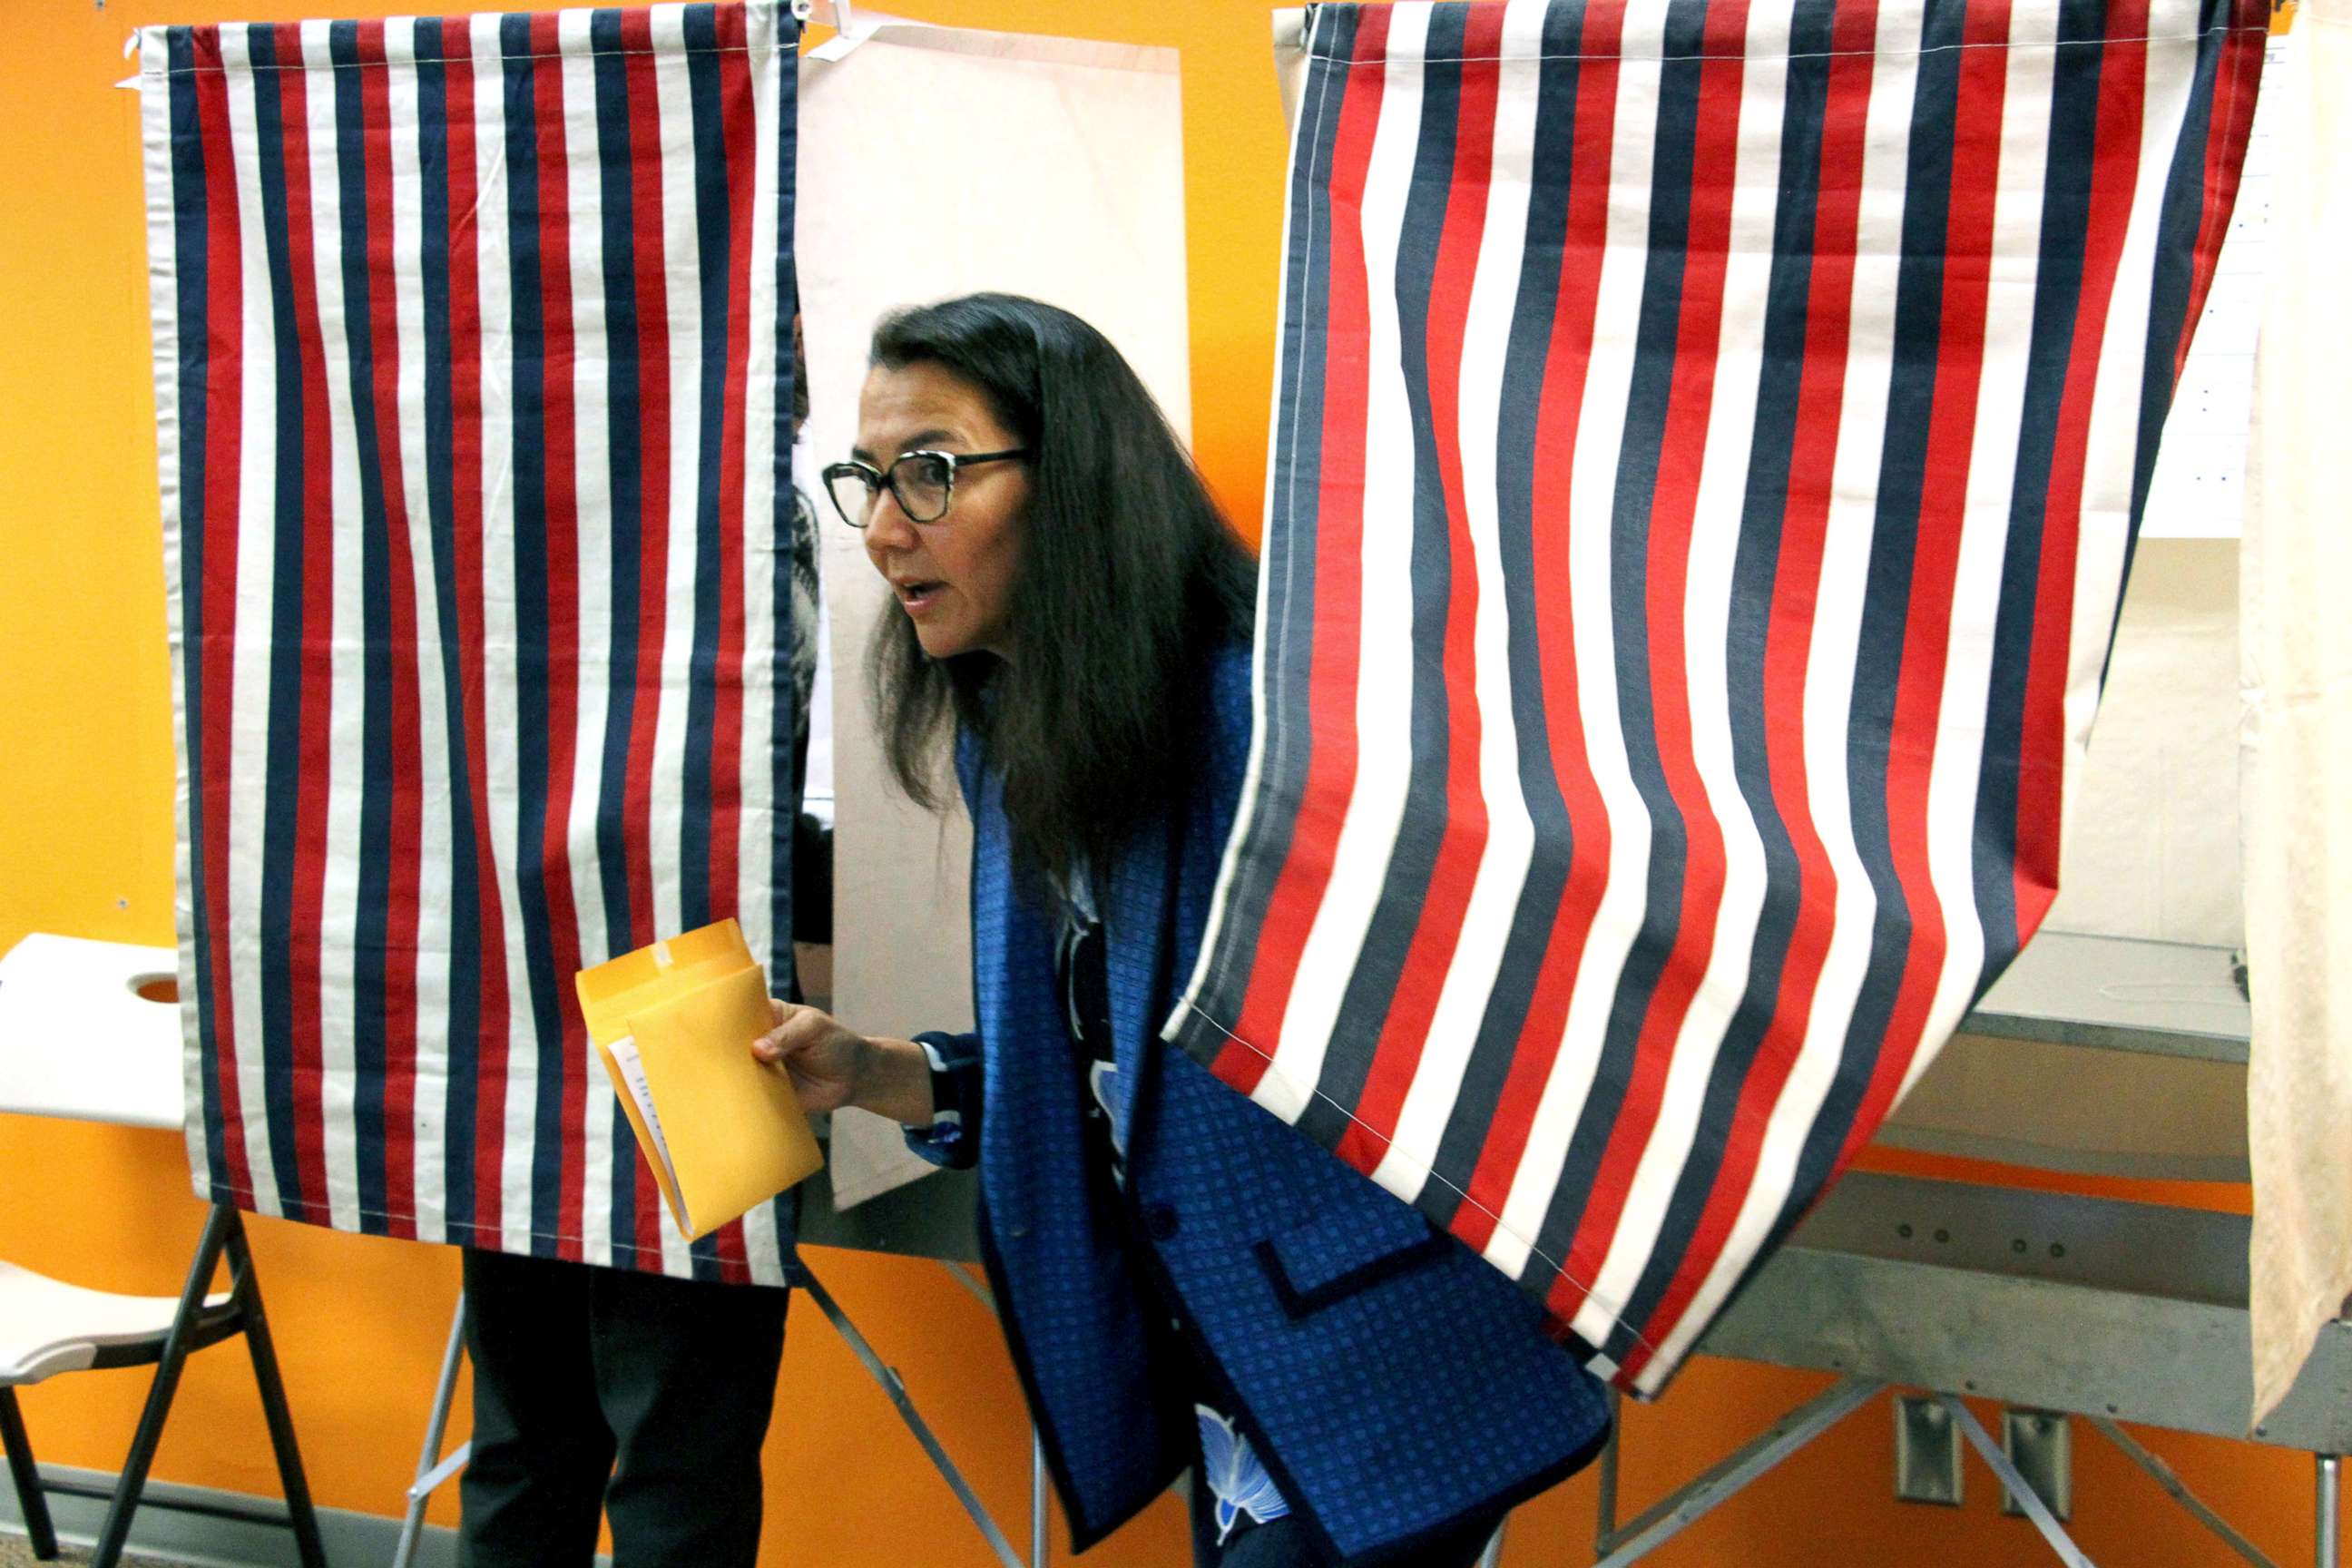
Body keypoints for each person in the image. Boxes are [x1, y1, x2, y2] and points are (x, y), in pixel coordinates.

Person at [754, 294, 1611, 1568]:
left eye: (931, 473)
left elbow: (1496, 987)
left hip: (1370, 1350)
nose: (883, 531)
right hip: (1227, 1357)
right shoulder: (1031, 742)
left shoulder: (1257, 716)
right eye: (867, 481)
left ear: (1076, 482)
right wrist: (886, 1075)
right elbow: (1129, 1066)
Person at [456, 322, 824, 1568]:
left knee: (526, 1438)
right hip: (691, 1014)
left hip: (520, 1008)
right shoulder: (752, 531)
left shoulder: (502, 518)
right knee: (682, 1457)